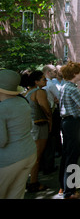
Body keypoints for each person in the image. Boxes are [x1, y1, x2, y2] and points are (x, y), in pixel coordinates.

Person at [0, 70, 37, 199]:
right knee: (16, 194)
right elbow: (30, 126)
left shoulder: (2, 108)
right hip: (28, 152)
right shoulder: (22, 102)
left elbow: (2, 140)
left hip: (9, 159)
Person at [58, 61, 80, 199]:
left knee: (66, 154)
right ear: (74, 74)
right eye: (79, 72)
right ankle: (70, 192)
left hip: (66, 122)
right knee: (73, 156)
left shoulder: (63, 86)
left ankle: (63, 187)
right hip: (73, 122)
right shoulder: (73, 88)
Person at [21, 70, 52, 193]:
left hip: (30, 125)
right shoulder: (39, 92)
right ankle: (34, 182)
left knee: (32, 155)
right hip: (40, 125)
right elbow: (46, 108)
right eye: (43, 79)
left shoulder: (27, 93)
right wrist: (50, 120)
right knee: (37, 156)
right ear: (36, 81)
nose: (46, 81)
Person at [41, 64, 60, 174]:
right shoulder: (50, 84)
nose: (56, 73)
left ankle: (44, 164)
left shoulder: (42, 85)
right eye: (54, 71)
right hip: (51, 112)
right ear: (48, 72)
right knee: (52, 138)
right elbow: (59, 96)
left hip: (43, 113)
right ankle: (49, 164)